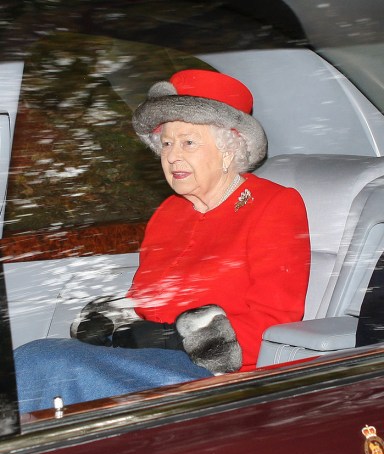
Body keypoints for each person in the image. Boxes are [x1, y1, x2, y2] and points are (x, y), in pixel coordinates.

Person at [14, 69, 310, 413]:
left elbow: (277, 319)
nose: (172, 156)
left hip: (215, 374)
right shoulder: (170, 211)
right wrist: (115, 321)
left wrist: (180, 341)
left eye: (188, 142)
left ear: (230, 148)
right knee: (35, 355)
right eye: (166, 143)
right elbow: (147, 298)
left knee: (49, 365)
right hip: (147, 358)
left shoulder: (274, 203)